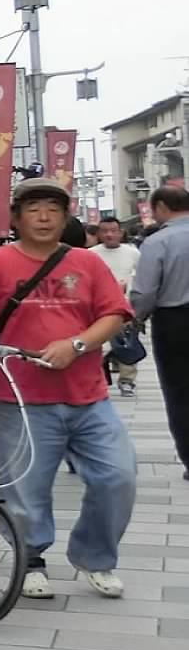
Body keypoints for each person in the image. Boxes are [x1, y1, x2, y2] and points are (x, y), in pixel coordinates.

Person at [0, 177, 135, 598]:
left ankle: (95, 556)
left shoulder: (87, 264)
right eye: (33, 208)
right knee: (26, 490)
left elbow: (115, 314)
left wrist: (76, 344)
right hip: (21, 397)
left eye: (53, 208)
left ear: (66, 215)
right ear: (16, 217)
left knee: (118, 477)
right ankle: (31, 559)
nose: (44, 216)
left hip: (88, 396)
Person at [131, 184, 189, 478]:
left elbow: (144, 292)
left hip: (175, 322)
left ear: (162, 207)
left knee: (179, 392)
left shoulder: (158, 242)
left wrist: (135, 318)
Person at [93, 215, 144, 396]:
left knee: (127, 343)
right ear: (98, 233)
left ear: (120, 233)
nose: (109, 235)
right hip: (98, 308)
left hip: (125, 306)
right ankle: (97, 379)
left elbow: (141, 278)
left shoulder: (133, 253)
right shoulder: (91, 254)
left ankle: (127, 381)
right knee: (99, 345)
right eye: (105, 231)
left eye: (113, 231)